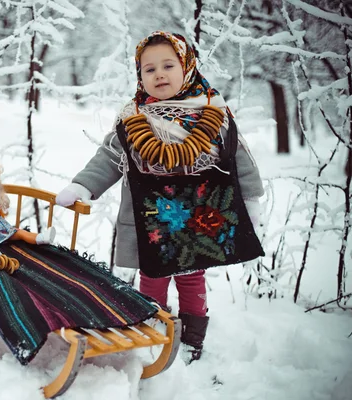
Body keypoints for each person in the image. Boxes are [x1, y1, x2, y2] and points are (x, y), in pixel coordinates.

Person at [56, 31, 264, 363]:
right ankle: (152, 328)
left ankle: (193, 336)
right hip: (152, 214)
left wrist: (251, 200)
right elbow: (109, 158)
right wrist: (83, 186)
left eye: (168, 65)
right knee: (152, 274)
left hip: (199, 213)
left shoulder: (213, 115)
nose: (159, 74)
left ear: (187, 67)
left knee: (192, 275)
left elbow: (239, 158)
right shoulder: (133, 119)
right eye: (149, 69)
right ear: (139, 76)